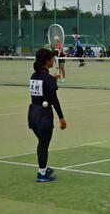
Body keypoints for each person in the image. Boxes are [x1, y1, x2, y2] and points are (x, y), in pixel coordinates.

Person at [28, 49, 66, 182]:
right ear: (47, 61)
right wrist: (61, 118)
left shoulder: (34, 75)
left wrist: (52, 81)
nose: (54, 60)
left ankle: (43, 168)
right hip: (43, 116)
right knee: (43, 145)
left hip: (32, 113)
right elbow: (54, 100)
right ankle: (42, 173)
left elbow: (43, 87)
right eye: (52, 58)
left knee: (42, 143)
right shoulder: (48, 79)